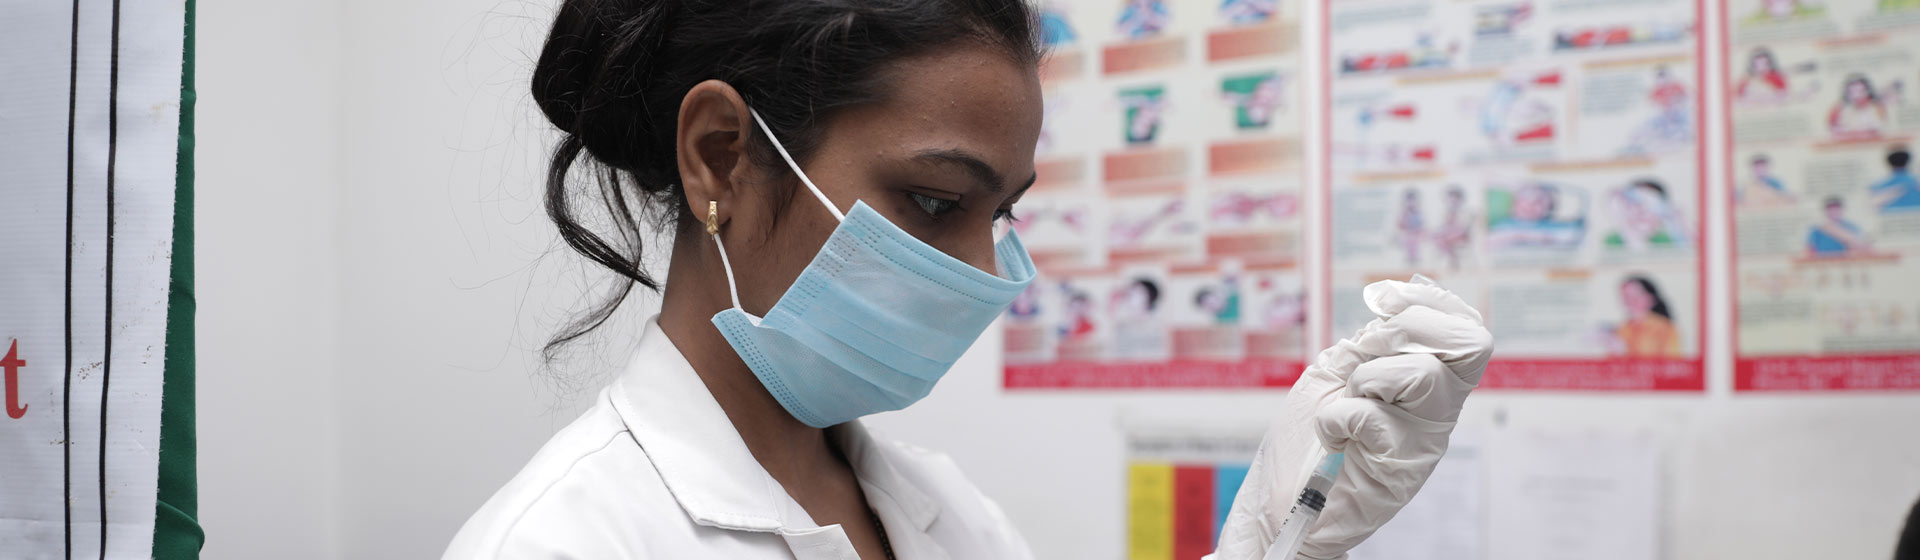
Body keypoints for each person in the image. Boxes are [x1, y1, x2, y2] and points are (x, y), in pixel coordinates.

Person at [447, 2, 1491, 559]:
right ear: (722, 154)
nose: (986, 271)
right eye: (937, 202)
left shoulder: (945, 513)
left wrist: (1276, 539)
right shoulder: (562, 540)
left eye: (1004, 212)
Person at [1605, 179, 1689, 252]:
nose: (1640, 211)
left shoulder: (1669, 239)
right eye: (1634, 204)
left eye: (1649, 205)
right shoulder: (1612, 240)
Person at [1608, 276, 1682, 358]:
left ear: (1650, 298)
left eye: (1634, 296)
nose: (1629, 301)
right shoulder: (1622, 329)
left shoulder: (1665, 328)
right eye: (1625, 296)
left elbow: (1672, 360)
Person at [1829, 74, 1888, 140]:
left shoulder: (1876, 108)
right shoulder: (1842, 110)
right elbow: (1835, 131)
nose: (1856, 95)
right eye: (1852, 92)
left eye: (1860, 91)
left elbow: (1877, 131)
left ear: (1867, 91)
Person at [1871, 147, 1920, 211]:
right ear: (1908, 162)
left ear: (1889, 163)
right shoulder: (1916, 182)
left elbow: (1874, 207)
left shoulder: (1878, 186)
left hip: (1889, 219)